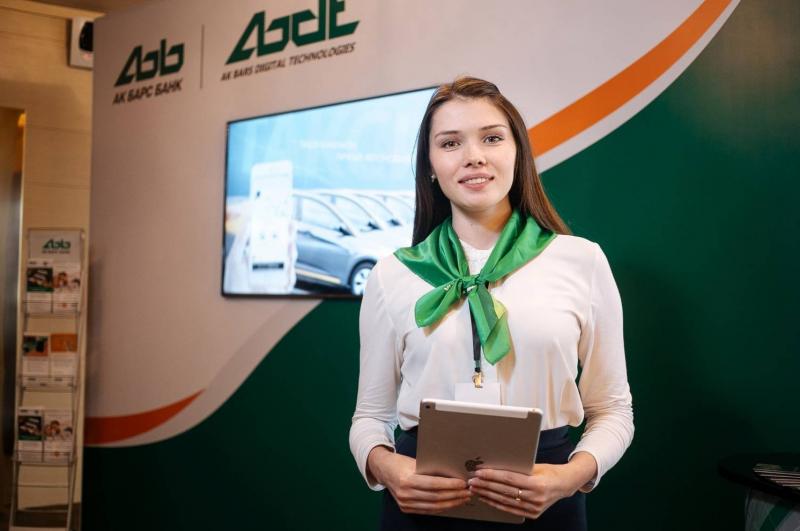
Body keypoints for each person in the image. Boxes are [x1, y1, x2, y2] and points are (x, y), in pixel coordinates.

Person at [349, 77, 634, 530]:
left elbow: (613, 410)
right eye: (450, 143)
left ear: (517, 152)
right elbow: (369, 417)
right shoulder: (393, 275)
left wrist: (567, 478)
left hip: (544, 501)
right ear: (430, 165)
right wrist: (388, 469)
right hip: (423, 502)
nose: (474, 156)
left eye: (492, 138)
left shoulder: (581, 261)